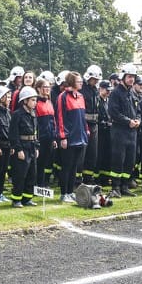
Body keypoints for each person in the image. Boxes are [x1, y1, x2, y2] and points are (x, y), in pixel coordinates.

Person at [107, 64, 141, 198]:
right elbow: (114, 112)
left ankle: (124, 186)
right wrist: (128, 121)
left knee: (130, 160)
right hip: (119, 131)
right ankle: (115, 187)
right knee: (118, 159)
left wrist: (138, 120)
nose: (131, 79)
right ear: (123, 77)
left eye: (133, 77)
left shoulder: (132, 93)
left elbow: (138, 111)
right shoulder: (116, 93)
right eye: (129, 77)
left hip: (132, 133)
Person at [56, 72, 89, 203]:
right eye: (78, 81)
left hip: (80, 136)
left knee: (75, 166)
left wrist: (86, 130)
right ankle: (64, 193)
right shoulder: (62, 97)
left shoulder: (80, 96)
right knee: (67, 166)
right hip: (69, 138)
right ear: (72, 82)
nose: (81, 83)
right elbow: (60, 117)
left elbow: (83, 116)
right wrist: (63, 136)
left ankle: (70, 191)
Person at [9, 86, 40, 207]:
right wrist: (18, 149)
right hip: (22, 147)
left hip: (32, 147)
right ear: (25, 101)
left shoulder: (33, 114)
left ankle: (27, 198)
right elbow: (14, 134)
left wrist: (37, 147)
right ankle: (16, 199)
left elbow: (36, 132)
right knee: (20, 175)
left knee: (32, 174)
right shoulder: (17, 114)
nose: (35, 102)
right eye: (32, 100)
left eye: (35, 100)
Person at [34, 78, 58, 188]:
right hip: (40, 137)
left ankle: (43, 183)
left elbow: (53, 120)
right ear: (38, 88)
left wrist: (54, 138)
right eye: (45, 87)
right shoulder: (36, 103)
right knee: (38, 162)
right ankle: (37, 184)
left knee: (46, 162)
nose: (47, 89)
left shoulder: (49, 102)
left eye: (49, 87)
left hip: (49, 136)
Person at [81, 65, 102, 184]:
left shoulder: (95, 90)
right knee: (82, 153)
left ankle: (89, 178)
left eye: (97, 80)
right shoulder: (82, 90)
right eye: (94, 79)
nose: (95, 81)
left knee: (92, 153)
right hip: (84, 124)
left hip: (94, 124)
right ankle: (78, 179)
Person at [96, 80, 112, 186]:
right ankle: (97, 178)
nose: (108, 92)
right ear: (100, 89)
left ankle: (105, 178)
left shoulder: (108, 101)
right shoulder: (97, 100)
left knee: (107, 156)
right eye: (107, 90)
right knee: (99, 155)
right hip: (99, 131)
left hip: (108, 132)